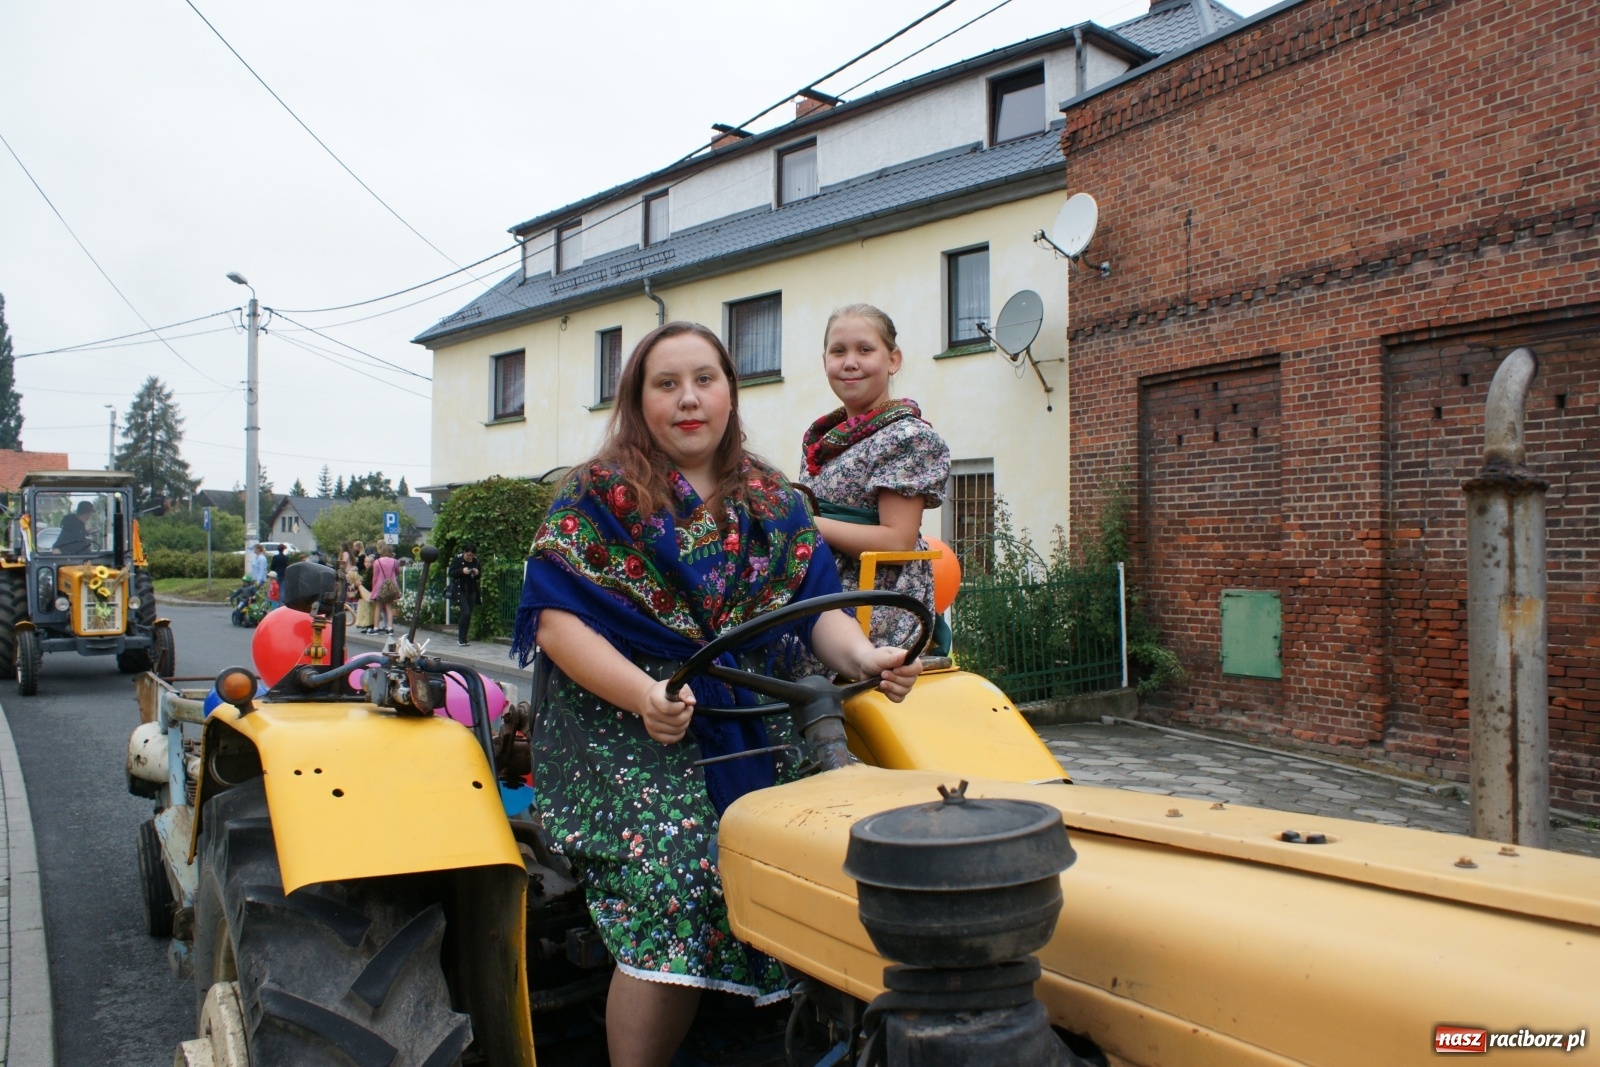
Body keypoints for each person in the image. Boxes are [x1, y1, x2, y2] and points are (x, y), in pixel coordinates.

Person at [514, 321, 920, 1067]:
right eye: (666, 384)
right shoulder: (595, 495)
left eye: (704, 379)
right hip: (623, 725)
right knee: (683, 870)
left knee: (835, 843)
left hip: (748, 715)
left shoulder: (773, 500)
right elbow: (557, 624)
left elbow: (818, 611)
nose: (688, 399)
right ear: (639, 400)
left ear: (731, 392)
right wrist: (644, 693)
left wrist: (868, 654)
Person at [798, 304, 951, 649]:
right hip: (820, 584)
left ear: (892, 360)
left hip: (871, 601)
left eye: (865, 350)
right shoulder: (825, 439)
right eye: (838, 351)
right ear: (825, 362)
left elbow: (897, 543)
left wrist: (802, 524)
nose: (850, 361)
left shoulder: (906, 437)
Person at [447, 544, 481, 645]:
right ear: (464, 552)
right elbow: (451, 573)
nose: (470, 558)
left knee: (468, 614)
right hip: (460, 589)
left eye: (471, 556)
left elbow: (479, 576)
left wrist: (476, 572)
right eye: (468, 555)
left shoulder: (476, 561)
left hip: (472, 589)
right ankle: (460, 638)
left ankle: (464, 638)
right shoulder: (457, 559)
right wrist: (462, 571)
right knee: (465, 612)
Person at [368, 542, 400, 635]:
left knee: (378, 607)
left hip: (380, 586)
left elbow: (375, 577)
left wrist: (373, 588)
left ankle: (376, 628)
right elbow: (397, 572)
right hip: (391, 586)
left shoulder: (377, 562)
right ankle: (390, 628)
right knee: (389, 607)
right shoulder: (394, 561)